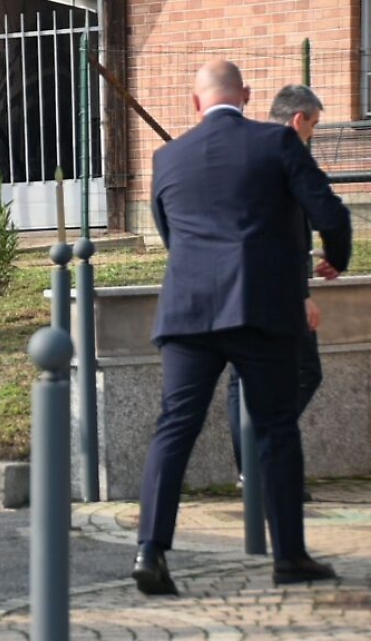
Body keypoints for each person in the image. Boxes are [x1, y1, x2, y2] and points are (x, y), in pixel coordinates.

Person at [132, 61, 352, 596]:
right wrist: (336, 258)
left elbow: (168, 232)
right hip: (260, 309)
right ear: (247, 96)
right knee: (277, 429)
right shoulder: (277, 143)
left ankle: (150, 552)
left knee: (174, 428)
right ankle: (290, 557)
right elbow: (330, 213)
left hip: (187, 311)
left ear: (194, 103)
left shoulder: (166, 157)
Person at [225, 85, 333, 502]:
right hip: (277, 288)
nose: (313, 135)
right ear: (298, 120)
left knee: (242, 379)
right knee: (305, 371)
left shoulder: (247, 150)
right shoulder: (287, 155)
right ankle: (263, 459)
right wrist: (300, 290)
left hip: (236, 281)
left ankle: (251, 469)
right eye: (315, 126)